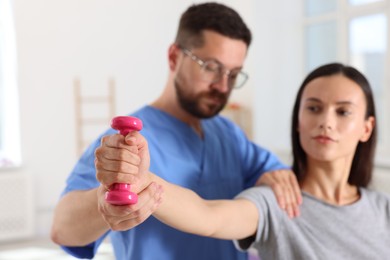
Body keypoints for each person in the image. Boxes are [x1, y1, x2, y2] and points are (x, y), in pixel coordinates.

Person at [51, 2, 301, 260]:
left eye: (234, 74)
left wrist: (277, 176)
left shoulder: (229, 135)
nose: (223, 86)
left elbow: (279, 175)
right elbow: (62, 229)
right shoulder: (128, 142)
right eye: (212, 67)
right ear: (174, 57)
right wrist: (105, 199)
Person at [105, 63, 390, 259]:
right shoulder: (276, 203)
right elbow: (207, 216)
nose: (326, 122)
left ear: (367, 127)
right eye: (314, 108)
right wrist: (144, 181)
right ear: (298, 122)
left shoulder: (383, 209)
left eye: (343, 112)